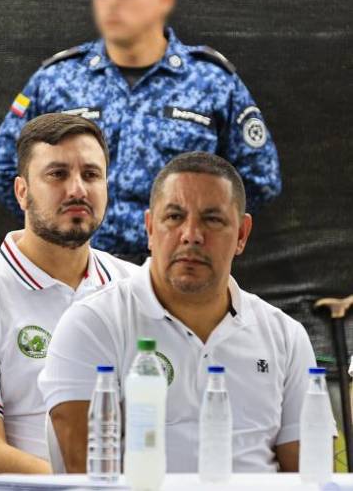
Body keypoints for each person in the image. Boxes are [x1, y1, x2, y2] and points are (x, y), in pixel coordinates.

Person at [0, 0, 281, 262]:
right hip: (80, 272)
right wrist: (61, 231)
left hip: (172, 272)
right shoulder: (56, 80)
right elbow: (2, 169)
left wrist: (195, 234)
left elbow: (259, 179)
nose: (113, 1)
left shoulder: (213, 82)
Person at [38, 152, 315, 473]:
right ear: (150, 228)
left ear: (241, 234)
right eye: (174, 216)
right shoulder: (92, 324)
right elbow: (87, 475)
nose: (191, 234)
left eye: (212, 219)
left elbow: (310, 476)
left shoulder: (286, 336)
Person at [0, 114, 137, 474]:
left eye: (91, 175)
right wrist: (82, 485)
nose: (77, 190)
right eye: (57, 174)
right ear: (22, 192)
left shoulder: (136, 287)